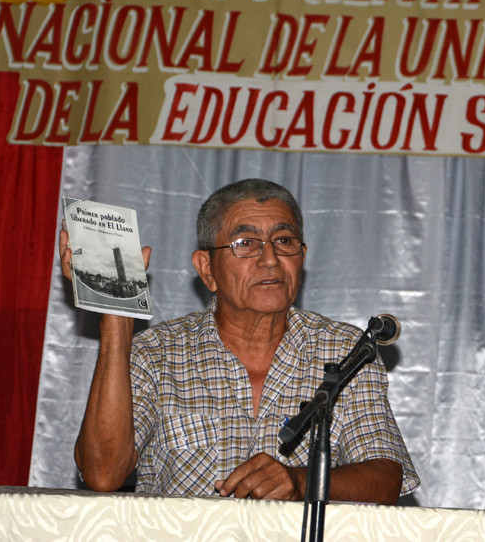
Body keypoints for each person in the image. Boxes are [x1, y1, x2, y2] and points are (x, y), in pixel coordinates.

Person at [64, 179, 419, 503]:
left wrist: (302, 481)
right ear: (207, 269)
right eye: (245, 243)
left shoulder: (345, 350)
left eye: (284, 241)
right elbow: (102, 474)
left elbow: (386, 478)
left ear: (302, 257)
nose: (270, 259)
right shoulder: (157, 352)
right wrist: (115, 324)